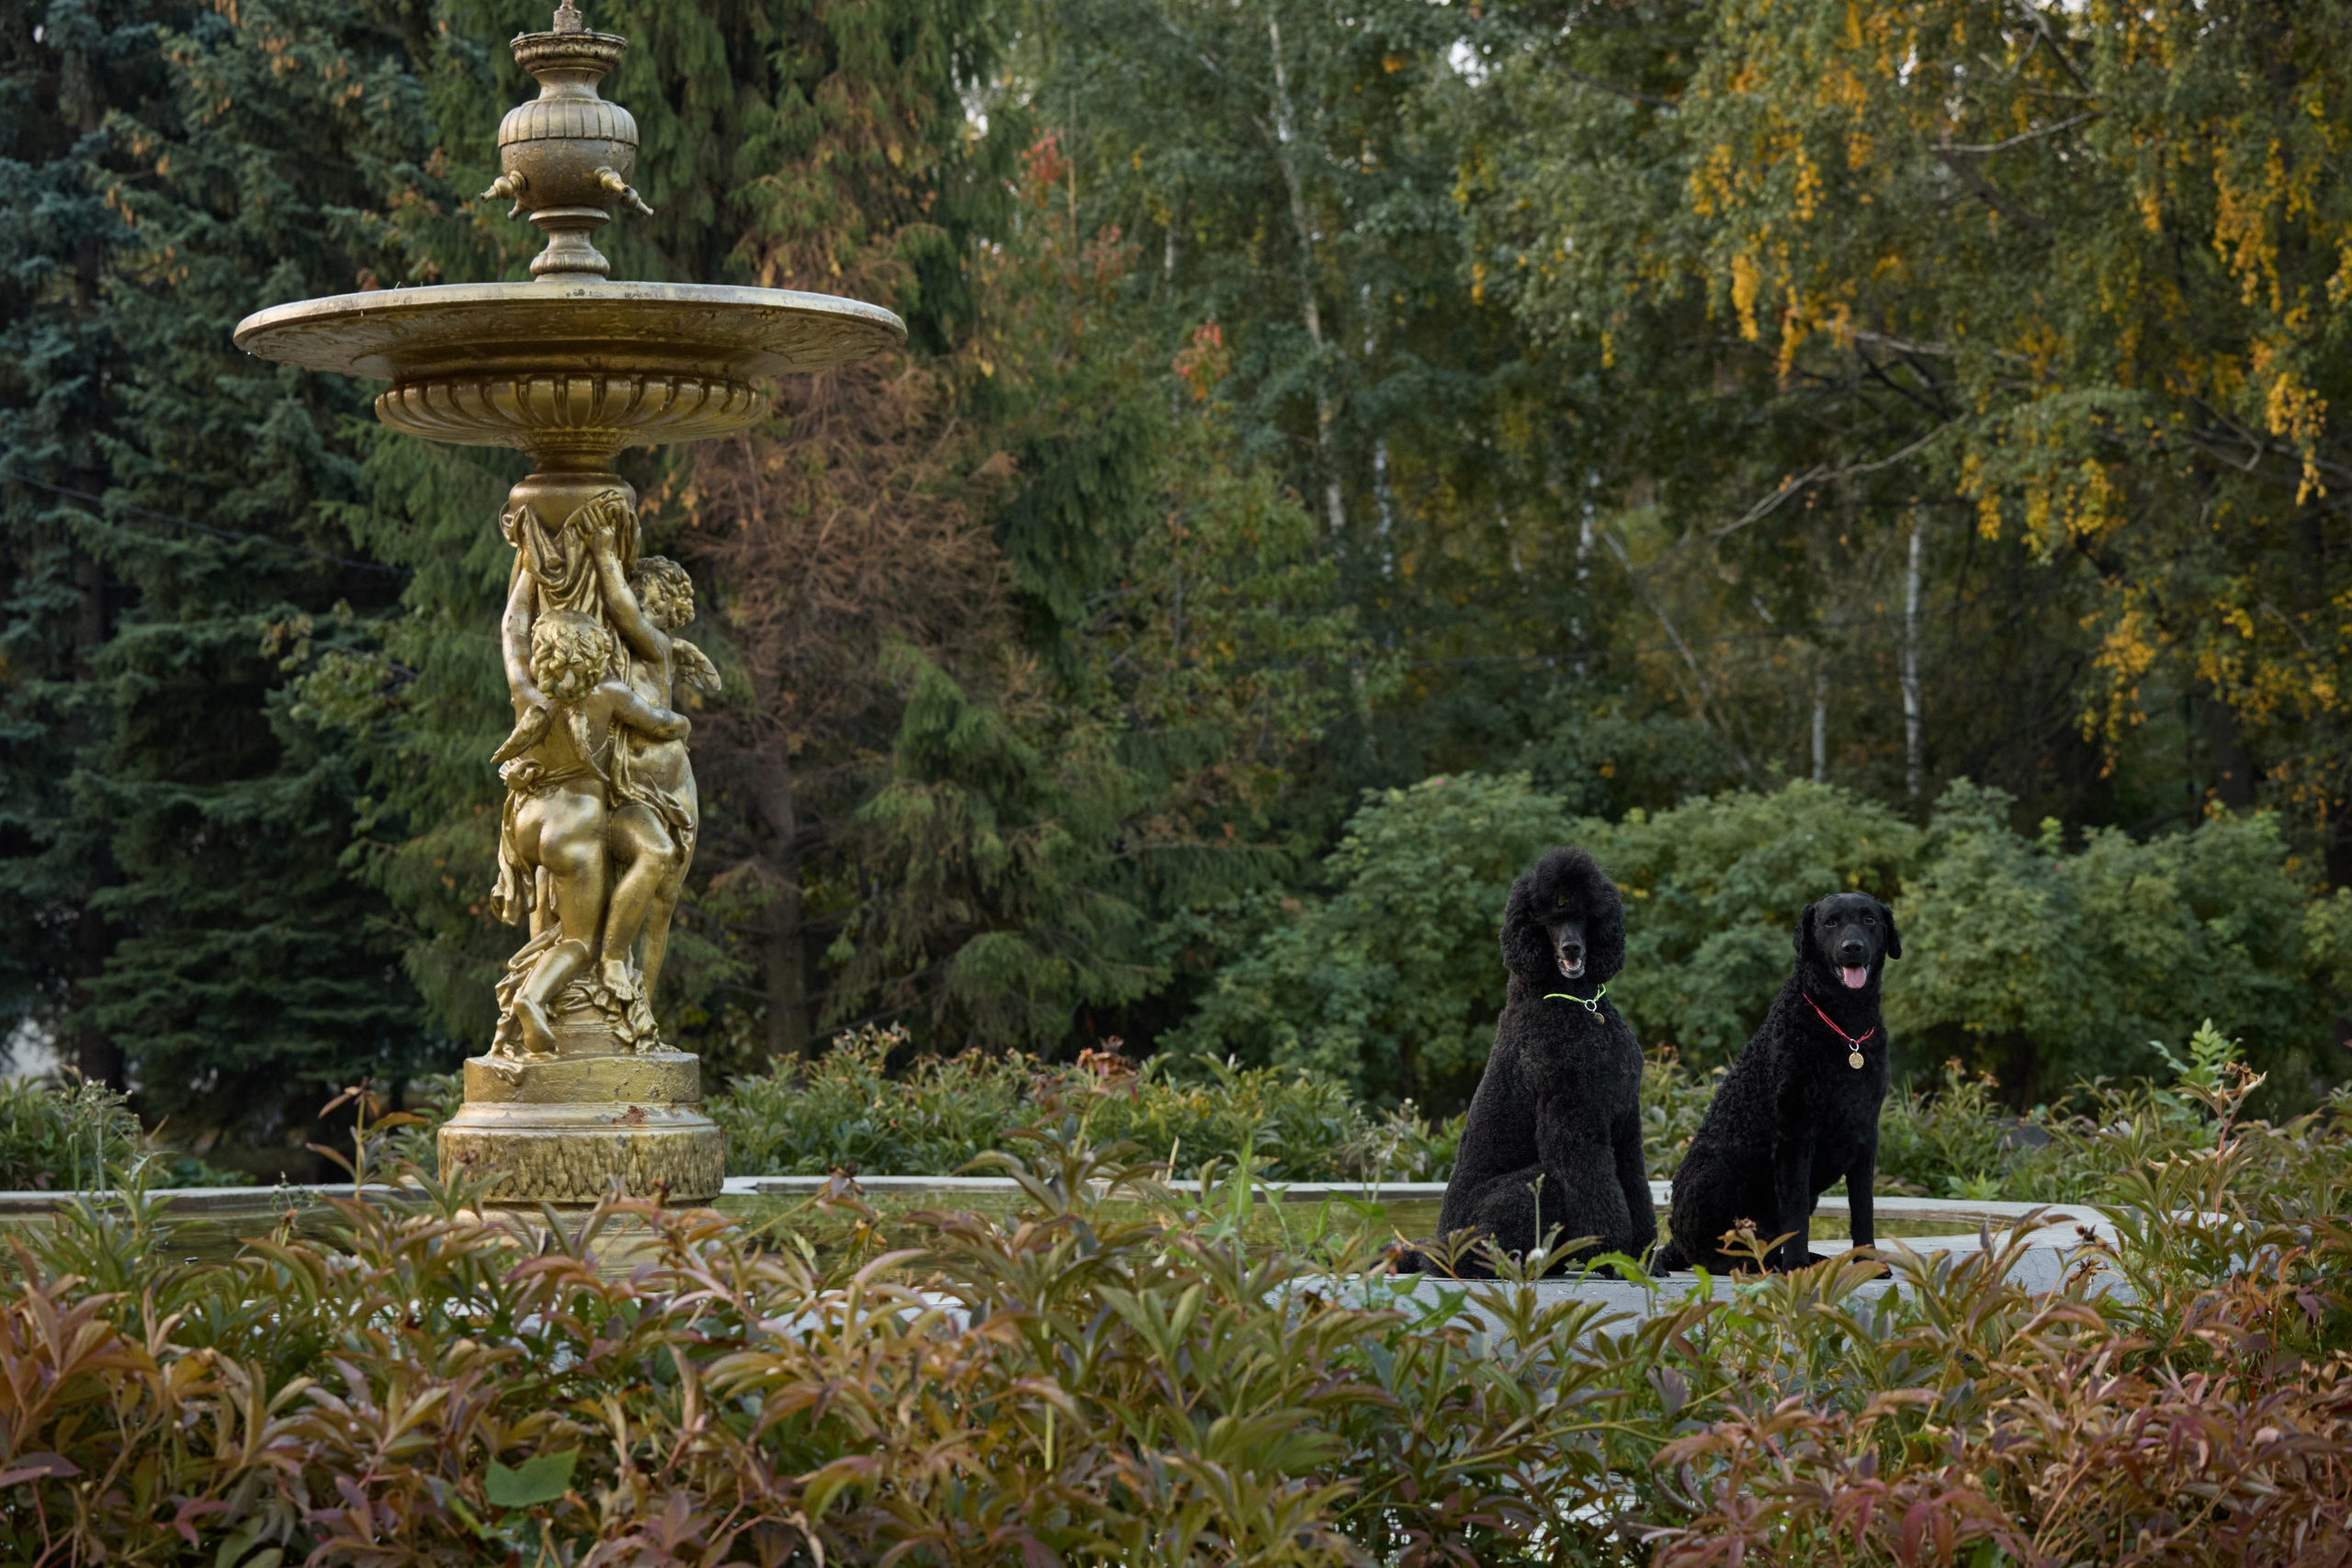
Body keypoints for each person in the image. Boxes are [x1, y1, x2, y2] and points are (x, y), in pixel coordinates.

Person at [489, 606, 691, 1055]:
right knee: (580, 940)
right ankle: (535, 997)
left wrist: (524, 569)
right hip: (576, 824)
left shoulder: (527, 693)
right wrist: (683, 724)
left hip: (530, 821)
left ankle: (540, 994)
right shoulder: (607, 695)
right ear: (594, 650)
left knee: (637, 856)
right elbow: (660, 723)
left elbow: (512, 627)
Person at [583, 493, 719, 1005]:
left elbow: (617, 606)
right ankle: (614, 964)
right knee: (651, 875)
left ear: (664, 610)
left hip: (670, 786)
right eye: (641, 592)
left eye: (652, 600)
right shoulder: (620, 652)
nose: (643, 605)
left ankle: (642, 1009)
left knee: (663, 903)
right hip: (635, 783)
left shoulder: (656, 646)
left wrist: (601, 551)